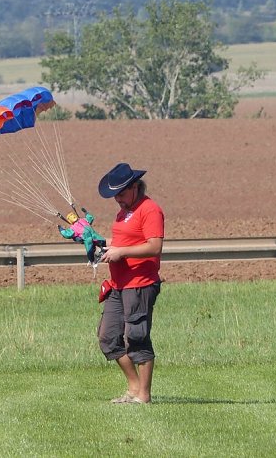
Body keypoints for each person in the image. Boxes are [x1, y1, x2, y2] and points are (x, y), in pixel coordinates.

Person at [96, 162, 164, 405]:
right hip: (118, 284)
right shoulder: (124, 212)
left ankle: (143, 395)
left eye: (121, 194)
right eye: (115, 195)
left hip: (140, 284)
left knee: (137, 337)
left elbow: (154, 246)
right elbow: (123, 241)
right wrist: (98, 242)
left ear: (135, 187)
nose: (118, 199)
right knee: (107, 337)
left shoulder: (150, 210)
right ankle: (134, 388)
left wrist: (121, 252)